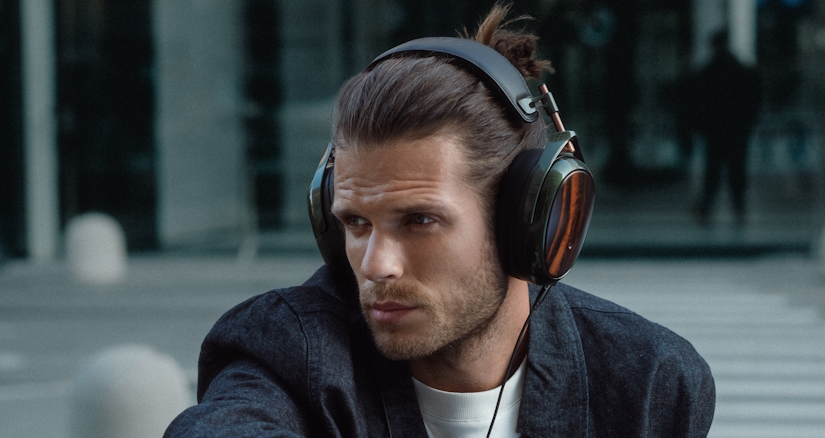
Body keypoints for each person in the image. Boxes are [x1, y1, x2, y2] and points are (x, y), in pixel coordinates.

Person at [166, 5, 715, 437]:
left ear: (524, 221)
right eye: (355, 223)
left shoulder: (648, 382)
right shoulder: (283, 356)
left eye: (419, 220)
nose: (375, 265)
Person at [693, 30, 761, 226]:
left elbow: (697, 103)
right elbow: (752, 100)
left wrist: (701, 126)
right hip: (735, 130)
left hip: (716, 131)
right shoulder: (740, 71)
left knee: (714, 171)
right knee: (735, 170)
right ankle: (736, 208)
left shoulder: (708, 73)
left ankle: (709, 208)